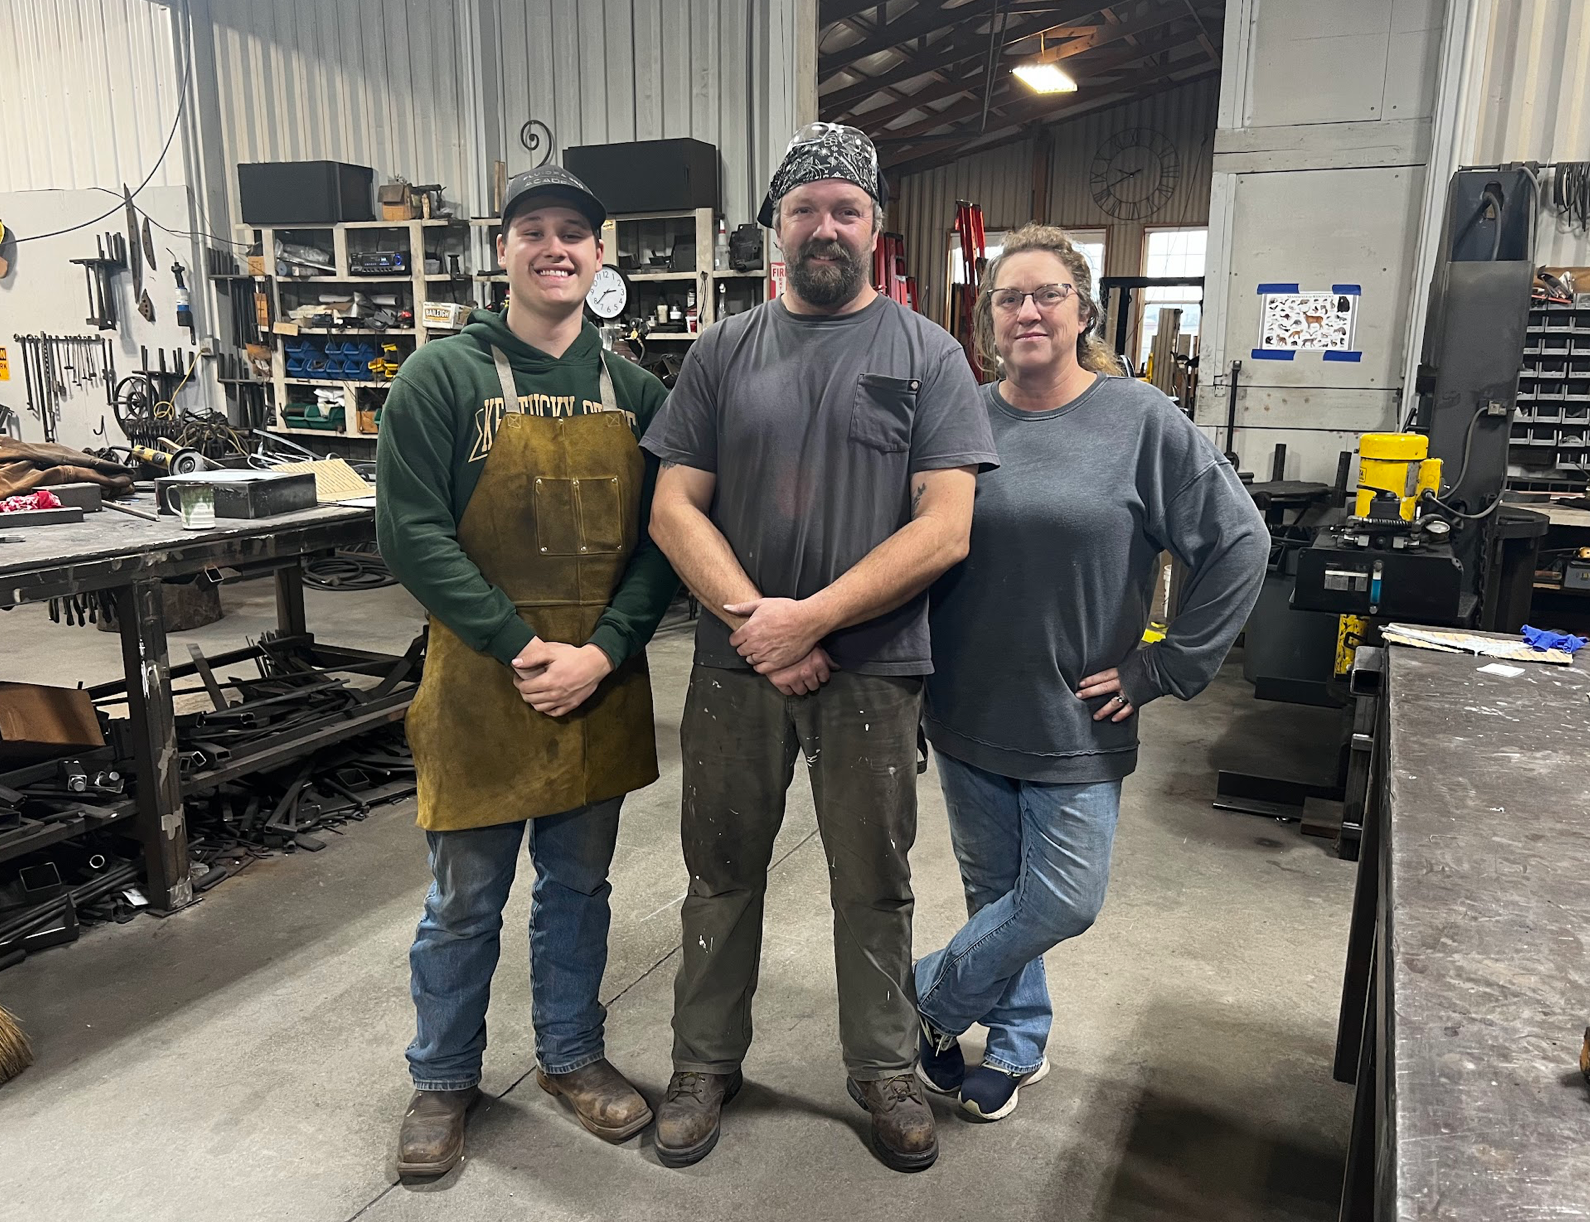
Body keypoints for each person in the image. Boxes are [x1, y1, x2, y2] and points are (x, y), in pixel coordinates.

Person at [640, 123, 999, 1173]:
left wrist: (817, 618)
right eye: (806, 209)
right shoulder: (721, 353)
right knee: (720, 870)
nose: (825, 226)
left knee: (874, 880)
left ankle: (883, 1066)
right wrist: (763, 622)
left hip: (874, 673)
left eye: (846, 209)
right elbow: (673, 509)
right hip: (735, 668)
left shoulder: (928, 353)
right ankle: (705, 1061)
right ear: (776, 231)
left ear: (875, 228)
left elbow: (947, 526)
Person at [915, 223, 1268, 1122]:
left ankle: (921, 998)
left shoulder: (1140, 419)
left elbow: (1239, 541)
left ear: (1082, 311)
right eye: (1008, 297)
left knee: (1062, 898)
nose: (1027, 311)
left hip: (1076, 717)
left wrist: (1168, 665)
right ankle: (1019, 1043)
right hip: (965, 709)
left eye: (1047, 295)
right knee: (998, 897)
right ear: (988, 316)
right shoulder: (962, 416)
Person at [375, 165, 677, 1177]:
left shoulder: (637, 394)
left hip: (597, 686)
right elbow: (412, 533)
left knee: (578, 890)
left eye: (576, 234)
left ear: (600, 257)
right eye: (535, 231)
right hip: (482, 690)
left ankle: (570, 1055)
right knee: (464, 899)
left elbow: (663, 545)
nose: (557, 248)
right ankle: (443, 1075)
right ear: (501, 249)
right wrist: (520, 645)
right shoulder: (443, 378)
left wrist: (601, 651)